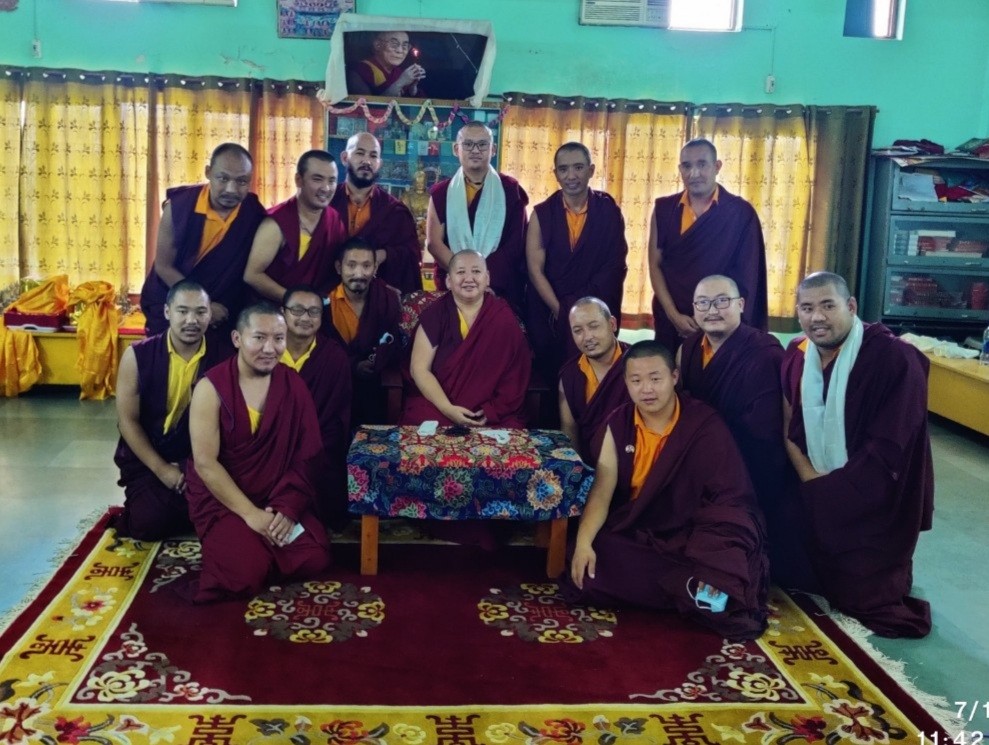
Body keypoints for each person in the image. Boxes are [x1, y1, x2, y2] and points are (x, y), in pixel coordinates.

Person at [561, 340, 769, 641]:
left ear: (674, 377)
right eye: (636, 380)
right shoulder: (619, 424)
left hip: (691, 533)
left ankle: (694, 585)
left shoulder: (702, 423)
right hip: (641, 529)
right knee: (586, 563)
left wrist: (714, 553)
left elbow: (730, 498)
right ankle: (688, 591)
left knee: (728, 558)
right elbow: (602, 492)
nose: (646, 389)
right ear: (626, 383)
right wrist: (583, 543)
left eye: (655, 378)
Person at [781, 272, 933, 638]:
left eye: (828, 306)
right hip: (814, 487)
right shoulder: (797, 355)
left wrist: (834, 493)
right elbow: (788, 427)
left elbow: (890, 448)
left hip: (872, 500)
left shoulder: (894, 359)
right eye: (807, 308)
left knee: (862, 595)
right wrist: (813, 484)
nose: (817, 317)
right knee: (780, 569)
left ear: (851, 306)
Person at [185, 303, 331, 603]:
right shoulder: (211, 388)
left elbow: (307, 455)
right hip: (225, 498)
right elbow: (205, 463)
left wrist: (286, 509)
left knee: (315, 554)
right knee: (245, 573)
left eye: (278, 338)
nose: (269, 348)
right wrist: (251, 515)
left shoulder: (292, 383)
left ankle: (253, 547)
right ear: (237, 339)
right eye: (259, 338)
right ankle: (247, 549)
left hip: (274, 495)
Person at [677, 275, 786, 561]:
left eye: (722, 301)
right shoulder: (689, 349)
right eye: (703, 303)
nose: (712, 310)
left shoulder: (765, 352)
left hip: (749, 466)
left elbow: (768, 428)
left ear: (741, 305)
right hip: (699, 461)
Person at [113, 281, 230, 541]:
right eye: (182, 311)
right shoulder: (138, 356)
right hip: (152, 456)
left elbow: (230, 423)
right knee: (147, 523)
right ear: (167, 312)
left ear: (210, 314)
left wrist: (191, 466)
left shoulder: (225, 357)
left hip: (203, 456)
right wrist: (163, 470)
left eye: (201, 312)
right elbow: (127, 421)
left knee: (225, 513)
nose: (192, 320)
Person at [648, 138, 768, 353]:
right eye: (687, 166)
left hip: (722, 321)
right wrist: (673, 315)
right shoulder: (665, 209)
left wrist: (715, 319)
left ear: (717, 166)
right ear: (680, 169)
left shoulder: (740, 213)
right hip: (674, 319)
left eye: (702, 164)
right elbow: (655, 264)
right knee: (672, 371)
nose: (694, 173)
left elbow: (748, 277)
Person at [140, 143, 267, 336]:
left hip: (223, 310)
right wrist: (204, 306)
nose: (231, 189)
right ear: (208, 172)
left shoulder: (252, 212)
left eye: (242, 181)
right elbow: (164, 267)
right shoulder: (180, 207)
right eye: (223, 178)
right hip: (175, 303)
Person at [526, 143, 628, 380]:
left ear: (591, 170)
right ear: (556, 174)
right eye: (563, 169)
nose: (571, 176)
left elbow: (614, 266)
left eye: (578, 167)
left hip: (596, 307)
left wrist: (586, 311)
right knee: (554, 377)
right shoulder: (542, 213)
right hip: (552, 312)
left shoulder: (608, 210)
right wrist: (561, 310)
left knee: (597, 374)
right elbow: (534, 269)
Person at [402, 250, 531, 428]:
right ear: (448, 281)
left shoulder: (503, 317)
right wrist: (448, 409)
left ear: (487, 278)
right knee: (420, 421)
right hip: (440, 405)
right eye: (461, 272)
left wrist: (493, 409)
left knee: (511, 431)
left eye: (476, 271)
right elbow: (419, 369)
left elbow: (516, 374)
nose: (469, 279)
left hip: (490, 412)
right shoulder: (435, 314)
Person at [426, 121, 529, 312]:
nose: (475, 150)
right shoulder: (441, 192)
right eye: (468, 144)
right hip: (454, 287)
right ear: (456, 149)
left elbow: (516, 244)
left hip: (499, 286)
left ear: (493, 149)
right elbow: (434, 243)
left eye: (482, 144)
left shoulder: (510, 189)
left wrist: (484, 279)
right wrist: (464, 278)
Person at [280, 285, 353, 528]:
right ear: (283, 312)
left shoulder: (334, 357)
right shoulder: (267, 352)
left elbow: (336, 417)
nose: (305, 318)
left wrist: (304, 448)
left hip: (315, 447)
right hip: (270, 446)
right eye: (297, 310)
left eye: (313, 312)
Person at [244, 150, 348, 303]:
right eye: (317, 179)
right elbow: (252, 275)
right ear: (299, 180)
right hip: (272, 309)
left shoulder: (334, 220)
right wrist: (295, 301)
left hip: (314, 308)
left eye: (332, 181)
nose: (326, 188)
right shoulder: (277, 222)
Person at [329, 133, 422, 294]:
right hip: (329, 295)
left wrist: (384, 254)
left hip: (377, 298)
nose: (367, 161)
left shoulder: (394, 211)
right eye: (360, 153)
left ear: (379, 163)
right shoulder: (327, 202)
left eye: (373, 156)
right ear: (344, 158)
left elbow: (411, 255)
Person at [325, 238, 402, 425]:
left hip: (375, 383)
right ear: (338, 267)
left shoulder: (387, 298)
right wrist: (353, 365)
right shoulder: (325, 302)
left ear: (375, 268)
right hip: (333, 382)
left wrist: (375, 362)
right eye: (351, 265)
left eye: (366, 266)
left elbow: (393, 343)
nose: (359, 274)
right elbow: (321, 348)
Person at [558, 297, 630, 464]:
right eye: (578, 330)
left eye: (594, 326)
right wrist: (579, 471)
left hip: (634, 461)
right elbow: (569, 429)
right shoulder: (571, 374)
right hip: (589, 464)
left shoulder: (636, 364)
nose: (587, 337)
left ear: (612, 324)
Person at [347, 30, 426, 98]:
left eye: (405, 46)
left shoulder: (399, 72)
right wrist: (400, 82)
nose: (400, 50)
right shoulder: (360, 71)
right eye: (394, 44)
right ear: (378, 45)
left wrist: (412, 89)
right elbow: (368, 106)